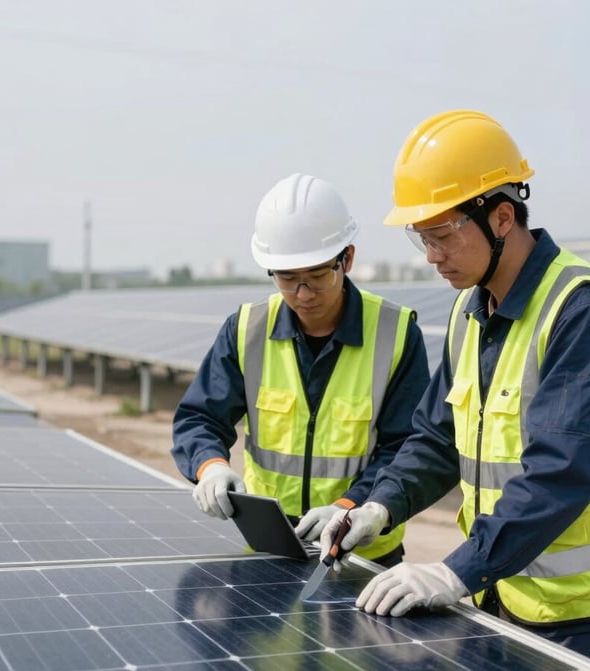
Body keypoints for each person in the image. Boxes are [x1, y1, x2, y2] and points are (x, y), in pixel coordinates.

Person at [320, 110, 590, 671]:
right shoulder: (469, 311)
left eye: (443, 234)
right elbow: (435, 438)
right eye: (420, 238)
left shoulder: (583, 311)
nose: (431, 255)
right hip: (506, 593)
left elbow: (558, 474)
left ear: (502, 216)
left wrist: (454, 572)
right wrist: (378, 505)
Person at [171, 172, 430, 567]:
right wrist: (210, 466)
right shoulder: (246, 330)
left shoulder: (395, 334)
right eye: (288, 279)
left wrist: (349, 507)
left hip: (361, 553)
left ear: (348, 259)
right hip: (270, 547)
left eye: (317, 276)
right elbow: (200, 417)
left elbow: (405, 446)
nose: (303, 295)